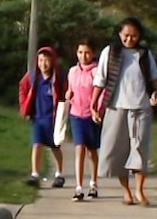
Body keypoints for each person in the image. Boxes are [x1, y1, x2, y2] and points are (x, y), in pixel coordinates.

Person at [90, 17, 157, 206]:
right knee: (118, 151)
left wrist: (155, 93)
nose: (130, 39)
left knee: (139, 150)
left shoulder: (144, 54)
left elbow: (154, 78)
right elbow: (100, 80)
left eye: (134, 36)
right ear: (120, 34)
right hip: (116, 106)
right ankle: (126, 192)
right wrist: (94, 103)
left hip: (141, 107)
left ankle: (139, 191)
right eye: (126, 35)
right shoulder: (110, 52)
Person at [19, 46, 66, 188]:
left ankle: (60, 173)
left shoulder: (57, 78)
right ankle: (35, 174)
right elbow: (22, 88)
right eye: (40, 60)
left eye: (46, 60)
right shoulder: (33, 77)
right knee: (37, 144)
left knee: (55, 146)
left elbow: (65, 94)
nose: (43, 64)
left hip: (52, 119)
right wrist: (25, 108)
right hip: (37, 118)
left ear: (52, 62)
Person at [65, 39, 101, 201]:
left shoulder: (97, 72)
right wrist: (68, 95)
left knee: (92, 151)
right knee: (79, 149)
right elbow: (70, 90)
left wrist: (98, 111)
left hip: (91, 115)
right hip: (76, 114)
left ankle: (93, 184)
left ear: (93, 53)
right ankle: (78, 187)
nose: (83, 56)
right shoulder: (72, 71)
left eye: (87, 52)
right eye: (80, 52)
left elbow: (101, 93)